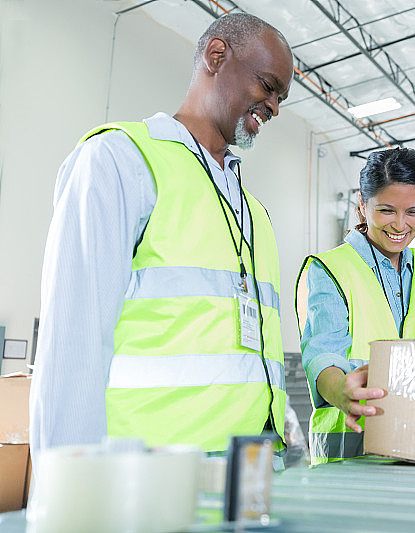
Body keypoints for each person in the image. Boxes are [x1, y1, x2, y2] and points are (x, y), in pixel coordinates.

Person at [29, 13, 294, 459]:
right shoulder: (119, 161)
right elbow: (74, 345)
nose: (274, 106)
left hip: (248, 473)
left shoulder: (254, 213)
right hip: (145, 477)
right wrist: (70, 494)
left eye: (281, 97)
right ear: (216, 56)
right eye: (268, 86)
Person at [295, 148, 415, 464]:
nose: (400, 225)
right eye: (387, 210)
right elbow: (322, 354)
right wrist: (342, 392)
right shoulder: (329, 267)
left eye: (414, 212)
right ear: (362, 203)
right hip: (347, 450)